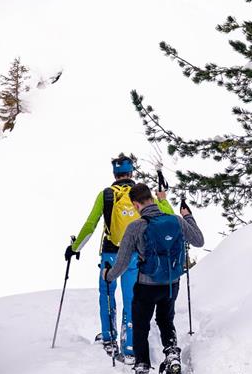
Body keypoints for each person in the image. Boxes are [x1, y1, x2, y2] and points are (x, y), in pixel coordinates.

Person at [66, 155, 174, 362]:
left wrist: (74, 247)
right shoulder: (141, 195)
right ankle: (130, 344)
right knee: (132, 298)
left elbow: (91, 225)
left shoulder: (106, 195)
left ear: (114, 174)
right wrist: (162, 198)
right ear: (131, 172)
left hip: (110, 253)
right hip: (135, 254)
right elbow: (168, 216)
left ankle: (108, 338)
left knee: (106, 293)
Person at [105, 183, 204, 374]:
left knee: (141, 325)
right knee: (166, 320)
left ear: (135, 204)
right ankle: (172, 355)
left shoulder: (136, 227)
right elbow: (199, 241)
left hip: (147, 286)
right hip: (171, 284)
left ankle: (142, 367)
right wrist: (188, 216)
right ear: (151, 198)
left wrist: (108, 275)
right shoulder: (176, 220)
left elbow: (122, 262)